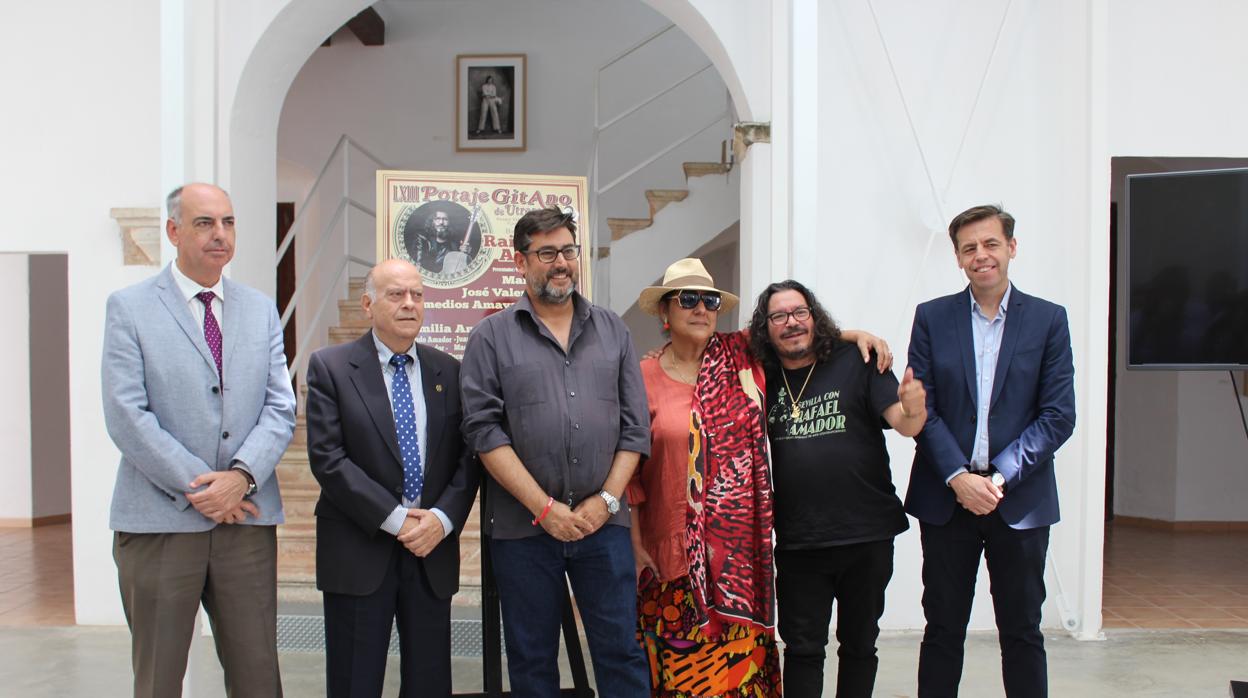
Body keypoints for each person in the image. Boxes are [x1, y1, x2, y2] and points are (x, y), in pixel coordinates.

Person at [102, 182, 296, 697]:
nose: (220, 234)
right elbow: (126, 414)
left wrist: (240, 478)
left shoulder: (259, 309)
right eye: (205, 223)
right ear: (173, 231)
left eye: (228, 222)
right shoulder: (130, 308)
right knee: (159, 677)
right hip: (160, 521)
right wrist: (204, 489)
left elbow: (281, 406)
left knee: (258, 675)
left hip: (246, 523)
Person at [460, 206, 651, 697]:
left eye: (568, 250)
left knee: (622, 653)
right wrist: (543, 509)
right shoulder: (490, 337)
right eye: (547, 253)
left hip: (603, 528)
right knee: (530, 659)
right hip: (524, 530)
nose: (561, 262)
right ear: (520, 262)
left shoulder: (614, 331)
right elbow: (483, 432)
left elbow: (635, 429)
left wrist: (606, 501)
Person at [906, 204, 1076, 698]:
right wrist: (959, 477)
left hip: (1018, 501)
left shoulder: (1048, 320)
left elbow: (1057, 415)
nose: (981, 256)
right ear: (958, 258)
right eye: (969, 248)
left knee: (1022, 632)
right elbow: (923, 410)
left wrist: (997, 478)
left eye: (990, 244)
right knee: (942, 630)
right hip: (946, 499)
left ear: (1011, 248)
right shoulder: (932, 318)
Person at [305, 258, 479, 697]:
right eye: (395, 294)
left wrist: (442, 518)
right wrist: (397, 519)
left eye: (417, 295)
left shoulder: (449, 371)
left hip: (430, 551)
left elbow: (469, 456)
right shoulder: (331, 368)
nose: (409, 304)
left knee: (429, 683)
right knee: (354, 683)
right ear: (367, 304)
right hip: (359, 549)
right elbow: (328, 459)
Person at [748, 280, 927, 698]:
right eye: (779, 316)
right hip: (800, 541)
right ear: (766, 327)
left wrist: (914, 407)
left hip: (867, 534)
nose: (791, 323)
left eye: (800, 313)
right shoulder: (761, 375)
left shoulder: (856, 360)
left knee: (860, 645)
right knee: (804, 649)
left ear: (815, 317)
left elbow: (904, 423)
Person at [629, 258, 781, 696]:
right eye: (688, 299)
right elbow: (631, 470)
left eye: (710, 300)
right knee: (682, 675)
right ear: (665, 314)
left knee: (739, 677)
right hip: (671, 552)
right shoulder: (642, 377)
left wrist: (858, 336)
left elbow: (801, 340)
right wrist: (635, 542)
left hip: (739, 558)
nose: (701, 309)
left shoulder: (742, 361)